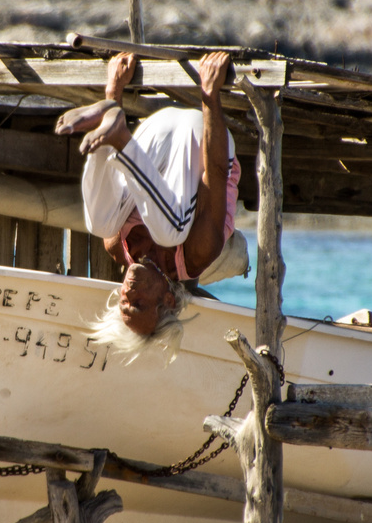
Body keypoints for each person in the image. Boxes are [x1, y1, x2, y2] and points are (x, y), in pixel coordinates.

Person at [55, 50, 248, 364]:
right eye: (139, 304)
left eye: (123, 303)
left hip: (152, 134)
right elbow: (214, 170)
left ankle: (109, 120)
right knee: (169, 234)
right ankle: (118, 136)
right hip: (199, 137)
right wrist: (210, 93)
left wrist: (114, 88)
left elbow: (113, 183)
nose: (128, 293)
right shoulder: (198, 254)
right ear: (168, 300)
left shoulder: (119, 247)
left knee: (101, 226)